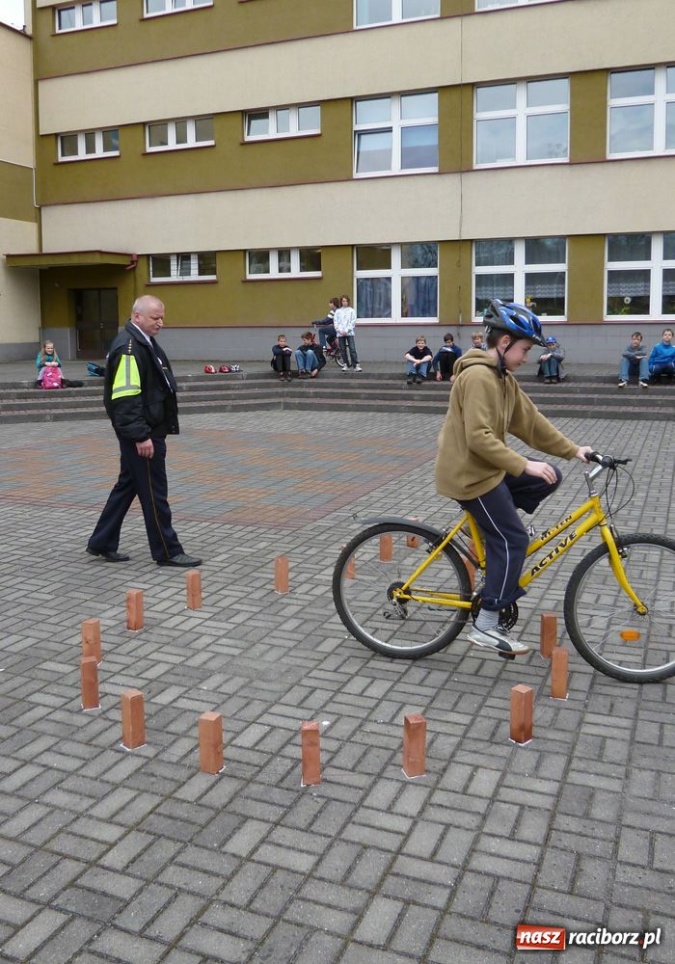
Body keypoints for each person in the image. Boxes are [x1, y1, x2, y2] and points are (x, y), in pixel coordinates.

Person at [435, 300, 593, 657]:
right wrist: (523, 463)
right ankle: (486, 624)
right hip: (469, 475)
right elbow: (479, 438)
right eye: (523, 349)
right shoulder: (478, 377)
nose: (526, 357)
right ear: (503, 343)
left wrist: (573, 450)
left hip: (487, 468)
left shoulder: (502, 378)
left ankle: (492, 526)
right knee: (513, 540)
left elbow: (531, 422)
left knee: (549, 477)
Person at [86, 295, 201, 567]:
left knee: (128, 486)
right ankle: (168, 551)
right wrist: (140, 435)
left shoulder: (142, 341)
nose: (160, 322)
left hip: (148, 428)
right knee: (154, 493)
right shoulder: (129, 347)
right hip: (143, 432)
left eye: (162, 317)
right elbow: (126, 398)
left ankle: (101, 541)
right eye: (154, 317)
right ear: (137, 316)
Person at [334, 295, 362, 372]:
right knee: (342, 349)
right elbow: (336, 322)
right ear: (341, 302)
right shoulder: (338, 311)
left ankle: (356, 364)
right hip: (340, 333)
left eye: (346, 301)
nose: (344, 302)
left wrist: (347, 330)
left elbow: (353, 321)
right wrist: (339, 330)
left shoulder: (351, 311)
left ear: (348, 302)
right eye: (343, 301)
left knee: (352, 348)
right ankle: (345, 364)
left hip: (349, 333)